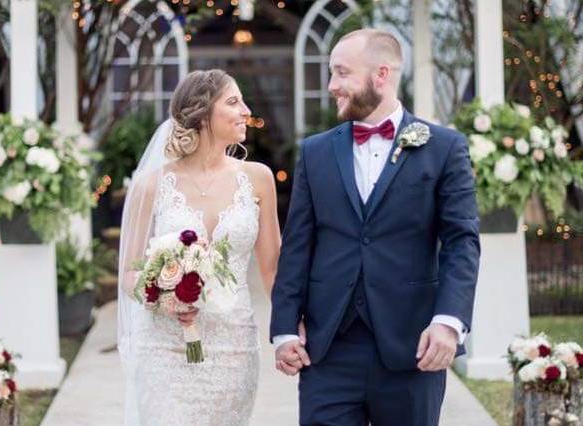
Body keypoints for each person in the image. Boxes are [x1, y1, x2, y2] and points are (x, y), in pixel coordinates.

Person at [270, 28, 481, 426]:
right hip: (328, 348)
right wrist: (283, 327)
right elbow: (298, 243)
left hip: (412, 347)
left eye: (342, 73)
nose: (332, 85)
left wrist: (449, 322)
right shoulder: (315, 152)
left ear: (381, 75)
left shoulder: (444, 148)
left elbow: (461, 242)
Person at [117, 69, 281, 425]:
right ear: (203, 113)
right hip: (164, 347)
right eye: (234, 102)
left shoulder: (258, 179)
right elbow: (129, 273)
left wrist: (289, 331)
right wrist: (163, 297)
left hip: (234, 347)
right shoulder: (151, 185)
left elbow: (272, 269)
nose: (245, 110)